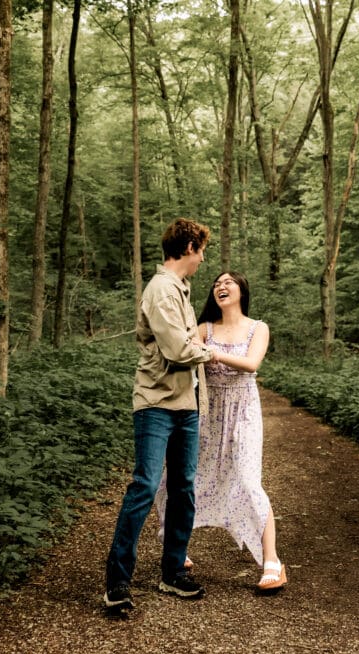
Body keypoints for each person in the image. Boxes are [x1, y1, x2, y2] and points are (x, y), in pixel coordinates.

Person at [103, 218, 216, 611]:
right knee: (146, 485)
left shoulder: (181, 291)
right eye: (201, 250)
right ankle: (117, 581)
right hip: (155, 404)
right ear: (188, 248)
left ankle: (173, 572)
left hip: (186, 405)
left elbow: (188, 343)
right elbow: (180, 351)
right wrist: (214, 352)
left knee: (184, 487)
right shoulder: (162, 290)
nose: (202, 259)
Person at [155, 271, 288, 593]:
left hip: (243, 411)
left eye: (228, 282)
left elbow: (252, 363)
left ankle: (272, 562)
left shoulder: (258, 328)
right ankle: (177, 549)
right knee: (185, 478)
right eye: (217, 284)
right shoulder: (203, 329)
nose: (221, 287)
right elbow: (182, 354)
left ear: (242, 289)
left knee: (247, 479)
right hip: (207, 410)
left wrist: (211, 352)